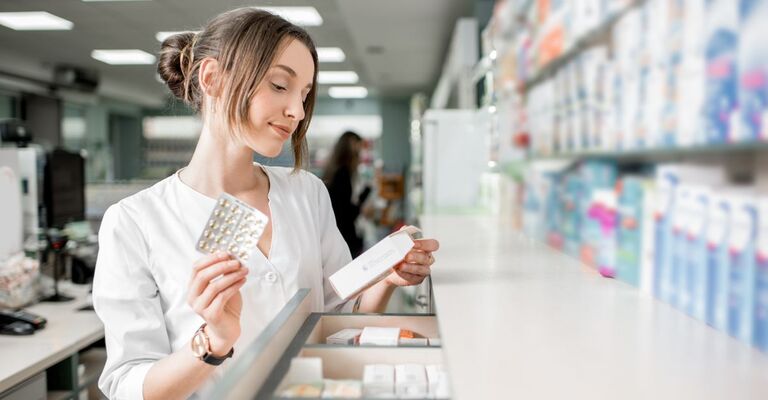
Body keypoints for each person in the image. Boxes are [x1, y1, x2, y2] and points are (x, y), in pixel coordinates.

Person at [92, 8, 439, 400]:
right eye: (280, 85)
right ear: (212, 79)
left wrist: (384, 279)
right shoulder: (134, 221)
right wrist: (214, 341)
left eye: (305, 94)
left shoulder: (306, 192)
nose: (297, 111)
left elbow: (340, 325)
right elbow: (126, 385)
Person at [322, 131, 371, 257]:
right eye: (358, 149)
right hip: (345, 238)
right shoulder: (343, 174)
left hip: (337, 235)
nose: (359, 155)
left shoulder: (334, 170)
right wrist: (365, 195)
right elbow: (348, 214)